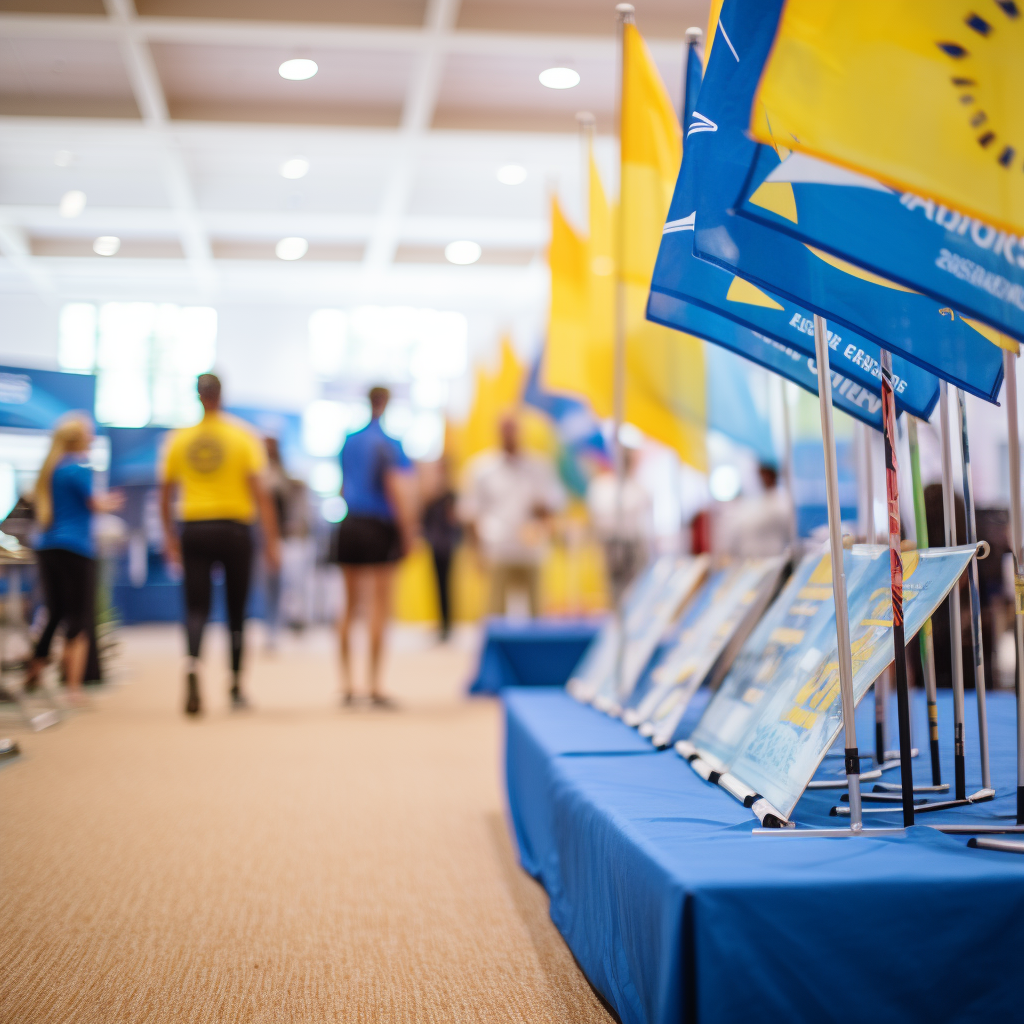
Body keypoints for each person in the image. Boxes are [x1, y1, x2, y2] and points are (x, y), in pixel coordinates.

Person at [160, 374, 280, 715]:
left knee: (196, 608)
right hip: (235, 530)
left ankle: (193, 666)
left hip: (194, 527)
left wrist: (170, 537)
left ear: (198, 397)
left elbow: (166, 494)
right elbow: (262, 495)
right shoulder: (243, 436)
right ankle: (236, 685)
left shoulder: (179, 440)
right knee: (236, 610)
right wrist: (272, 541)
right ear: (221, 395)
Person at [24, 414, 122, 704]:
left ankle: (35, 670)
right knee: (78, 615)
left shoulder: (51, 469)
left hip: (48, 546)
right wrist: (112, 502)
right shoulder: (80, 469)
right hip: (76, 549)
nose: (92, 438)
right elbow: (94, 503)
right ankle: (73, 686)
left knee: (54, 612)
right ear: (79, 438)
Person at [334, 386, 415, 706]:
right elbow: (394, 487)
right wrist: (407, 531)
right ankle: (374, 685)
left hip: (350, 523)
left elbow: (343, 486)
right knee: (380, 605)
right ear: (387, 404)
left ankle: (347, 685)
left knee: (349, 605)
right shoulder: (390, 444)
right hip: (378, 525)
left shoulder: (349, 441)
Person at [458, 413, 565, 618]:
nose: (509, 435)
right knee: (496, 613)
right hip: (498, 548)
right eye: (505, 430)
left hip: (531, 549)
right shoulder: (481, 469)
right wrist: (476, 551)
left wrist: (544, 514)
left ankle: (535, 650)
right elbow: (470, 513)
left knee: (536, 614)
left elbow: (553, 505)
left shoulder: (539, 467)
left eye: (513, 429)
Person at [586, 446, 653, 603]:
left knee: (635, 586)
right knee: (611, 587)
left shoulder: (637, 488)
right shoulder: (602, 485)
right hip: (610, 542)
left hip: (631, 544)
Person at [421, 456, 461, 641]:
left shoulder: (451, 495)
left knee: (447, 586)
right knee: (437, 586)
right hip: (436, 545)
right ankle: (442, 624)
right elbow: (426, 519)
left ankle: (448, 625)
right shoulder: (433, 495)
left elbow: (456, 521)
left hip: (447, 545)